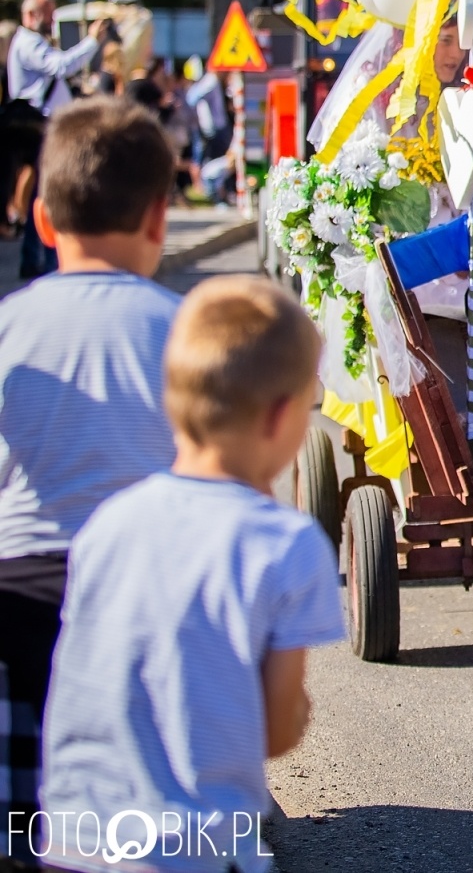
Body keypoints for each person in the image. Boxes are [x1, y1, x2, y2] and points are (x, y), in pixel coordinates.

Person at [38, 277, 344, 873]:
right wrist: (296, 711)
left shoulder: (107, 523)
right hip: (193, 846)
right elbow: (275, 734)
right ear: (282, 417)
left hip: (72, 836)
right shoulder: (285, 543)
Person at [0, 98, 178, 863]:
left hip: (21, 601)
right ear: (160, 219)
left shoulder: (8, 326)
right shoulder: (189, 331)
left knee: (26, 819)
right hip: (143, 605)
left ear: (43, 220)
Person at [6, 0, 111, 279]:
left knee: (44, 193)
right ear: (30, 15)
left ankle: (40, 260)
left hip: (44, 126)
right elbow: (60, 66)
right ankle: (48, 261)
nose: (52, 21)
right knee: (50, 193)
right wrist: (91, 41)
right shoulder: (28, 43)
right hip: (39, 128)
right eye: (48, 15)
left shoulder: (32, 43)